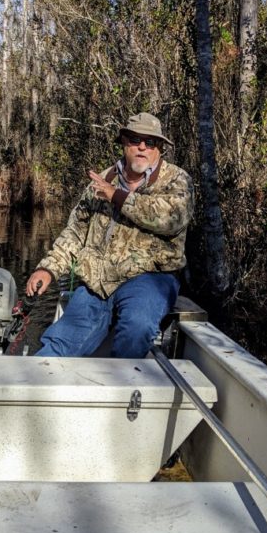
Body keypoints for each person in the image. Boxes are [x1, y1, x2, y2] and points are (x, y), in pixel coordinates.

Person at [24, 112, 194, 358]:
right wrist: (48, 269)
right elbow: (75, 232)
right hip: (97, 280)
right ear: (124, 141)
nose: (143, 147)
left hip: (150, 278)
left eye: (151, 142)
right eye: (136, 140)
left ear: (159, 149)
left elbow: (171, 219)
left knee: (137, 328)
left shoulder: (177, 180)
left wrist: (117, 196)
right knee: (58, 343)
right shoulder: (102, 181)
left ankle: (123, 390)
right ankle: (34, 390)